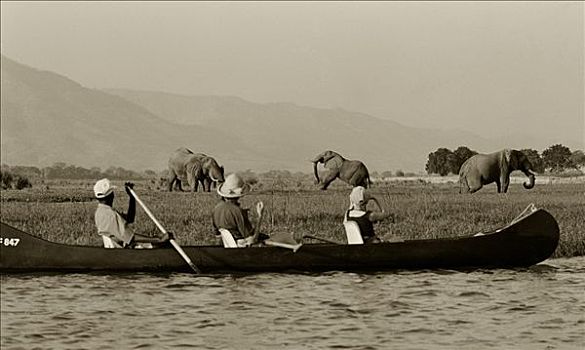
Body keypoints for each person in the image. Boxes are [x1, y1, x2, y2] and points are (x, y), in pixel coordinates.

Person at [93, 178, 170, 248]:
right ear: (111, 195)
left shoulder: (101, 211)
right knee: (162, 245)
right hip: (122, 251)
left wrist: (132, 197)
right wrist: (159, 239)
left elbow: (130, 218)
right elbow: (130, 238)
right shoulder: (110, 215)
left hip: (120, 246)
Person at [212, 173, 267, 246]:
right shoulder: (237, 211)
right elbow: (251, 240)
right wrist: (260, 216)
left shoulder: (216, 209)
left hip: (227, 247)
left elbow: (218, 235)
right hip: (240, 249)